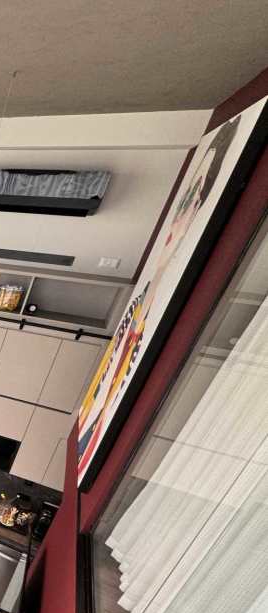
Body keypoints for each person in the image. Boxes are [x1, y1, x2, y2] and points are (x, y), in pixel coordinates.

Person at [77, 117, 240, 477]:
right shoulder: (145, 305)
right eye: (182, 204)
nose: (178, 217)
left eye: (190, 201)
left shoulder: (165, 312)